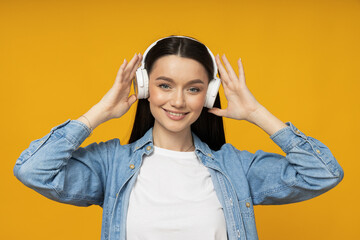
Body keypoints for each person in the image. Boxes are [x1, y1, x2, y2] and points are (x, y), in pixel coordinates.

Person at [13, 35, 344, 240]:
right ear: (145, 88)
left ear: (208, 94)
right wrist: (99, 112)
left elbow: (324, 174)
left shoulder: (235, 167)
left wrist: (257, 113)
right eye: (165, 85)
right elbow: (33, 170)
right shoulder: (111, 164)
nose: (178, 101)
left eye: (194, 89)